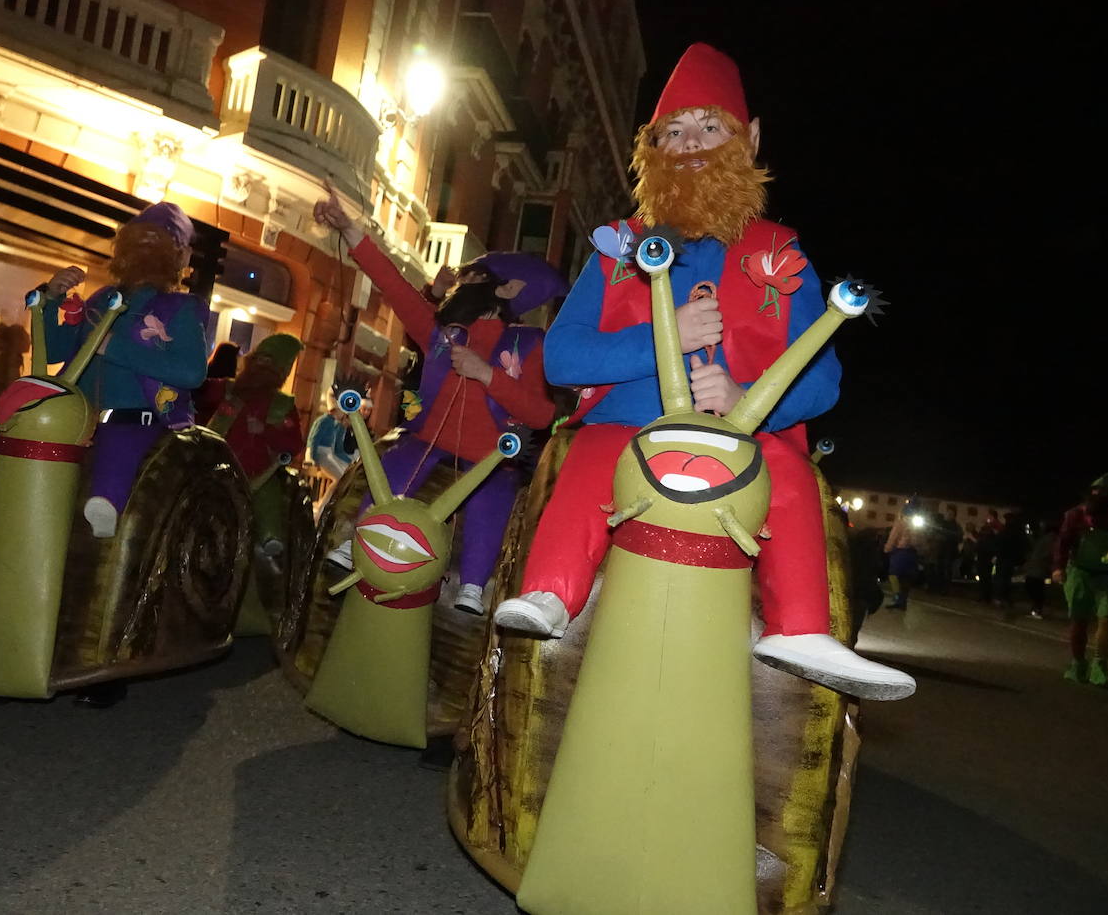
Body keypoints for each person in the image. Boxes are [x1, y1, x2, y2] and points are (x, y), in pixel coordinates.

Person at [491, 42, 913, 700]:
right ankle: (550, 592)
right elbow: (563, 358)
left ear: (748, 138)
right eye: (672, 132)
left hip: (744, 440)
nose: (688, 145)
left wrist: (752, 397)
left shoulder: (780, 251)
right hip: (627, 430)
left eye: (707, 127)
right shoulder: (618, 245)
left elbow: (822, 375)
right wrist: (662, 343)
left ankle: (800, 628)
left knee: (793, 478)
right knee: (593, 458)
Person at [314, 185, 564, 615]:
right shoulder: (443, 331)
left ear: (507, 290)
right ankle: (359, 542)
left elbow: (541, 414)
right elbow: (393, 285)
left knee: (493, 498)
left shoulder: (529, 345)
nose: (459, 284)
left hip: (489, 459)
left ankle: (472, 585)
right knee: (390, 470)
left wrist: (489, 375)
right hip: (427, 441)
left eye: (473, 279)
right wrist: (351, 230)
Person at [0, 202, 210, 538]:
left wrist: (115, 348)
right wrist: (51, 299)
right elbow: (56, 349)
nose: (145, 248)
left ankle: (108, 504)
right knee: (28, 422)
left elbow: (192, 372)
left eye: (156, 242)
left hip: (136, 417)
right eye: (139, 240)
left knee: (121, 447)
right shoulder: (101, 298)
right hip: (78, 412)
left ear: (180, 256)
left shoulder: (181, 308)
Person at [1053, 474, 1108, 686]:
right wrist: (1058, 568)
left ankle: (1100, 666)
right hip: (1079, 572)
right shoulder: (1075, 516)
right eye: (1096, 492)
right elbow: (1063, 542)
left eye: (1105, 493)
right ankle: (1078, 663)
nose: (1099, 496)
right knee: (1079, 620)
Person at [197, 334, 305, 479]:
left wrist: (266, 431)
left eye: (267, 363)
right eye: (260, 361)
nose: (261, 368)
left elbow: (293, 445)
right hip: (210, 474)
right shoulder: (222, 389)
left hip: (252, 482)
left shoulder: (281, 405)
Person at [307, 402, 357, 479]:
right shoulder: (325, 421)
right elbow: (315, 440)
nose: (344, 414)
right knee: (342, 476)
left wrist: (349, 461)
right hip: (320, 452)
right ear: (337, 410)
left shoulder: (334, 423)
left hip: (327, 452)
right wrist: (314, 459)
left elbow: (337, 450)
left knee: (344, 473)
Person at [1022, 519, 1056, 618]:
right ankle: (1036, 607)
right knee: (1032, 585)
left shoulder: (1051, 538)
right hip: (1036, 565)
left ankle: (1038, 608)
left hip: (1041, 565)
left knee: (1035, 586)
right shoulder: (1044, 537)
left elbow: (1048, 552)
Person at [928, 504, 962, 593]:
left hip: (949, 551)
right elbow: (933, 533)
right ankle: (937, 587)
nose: (949, 515)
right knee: (938, 569)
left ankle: (945, 588)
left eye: (951, 514)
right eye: (948, 513)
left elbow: (959, 537)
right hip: (939, 550)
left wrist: (948, 537)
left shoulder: (956, 526)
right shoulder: (941, 523)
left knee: (947, 570)